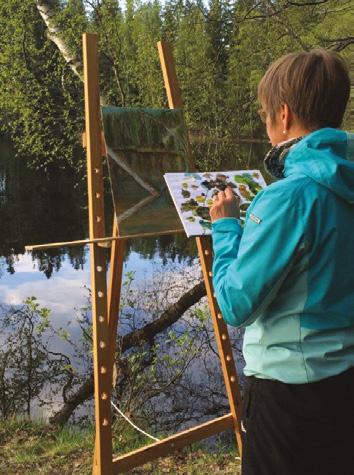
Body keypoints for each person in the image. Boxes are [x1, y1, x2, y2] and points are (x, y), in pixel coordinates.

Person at [209, 49, 353, 475]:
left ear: (284, 114)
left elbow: (236, 304)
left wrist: (225, 227)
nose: (266, 123)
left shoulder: (288, 197)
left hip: (291, 395)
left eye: (265, 114)